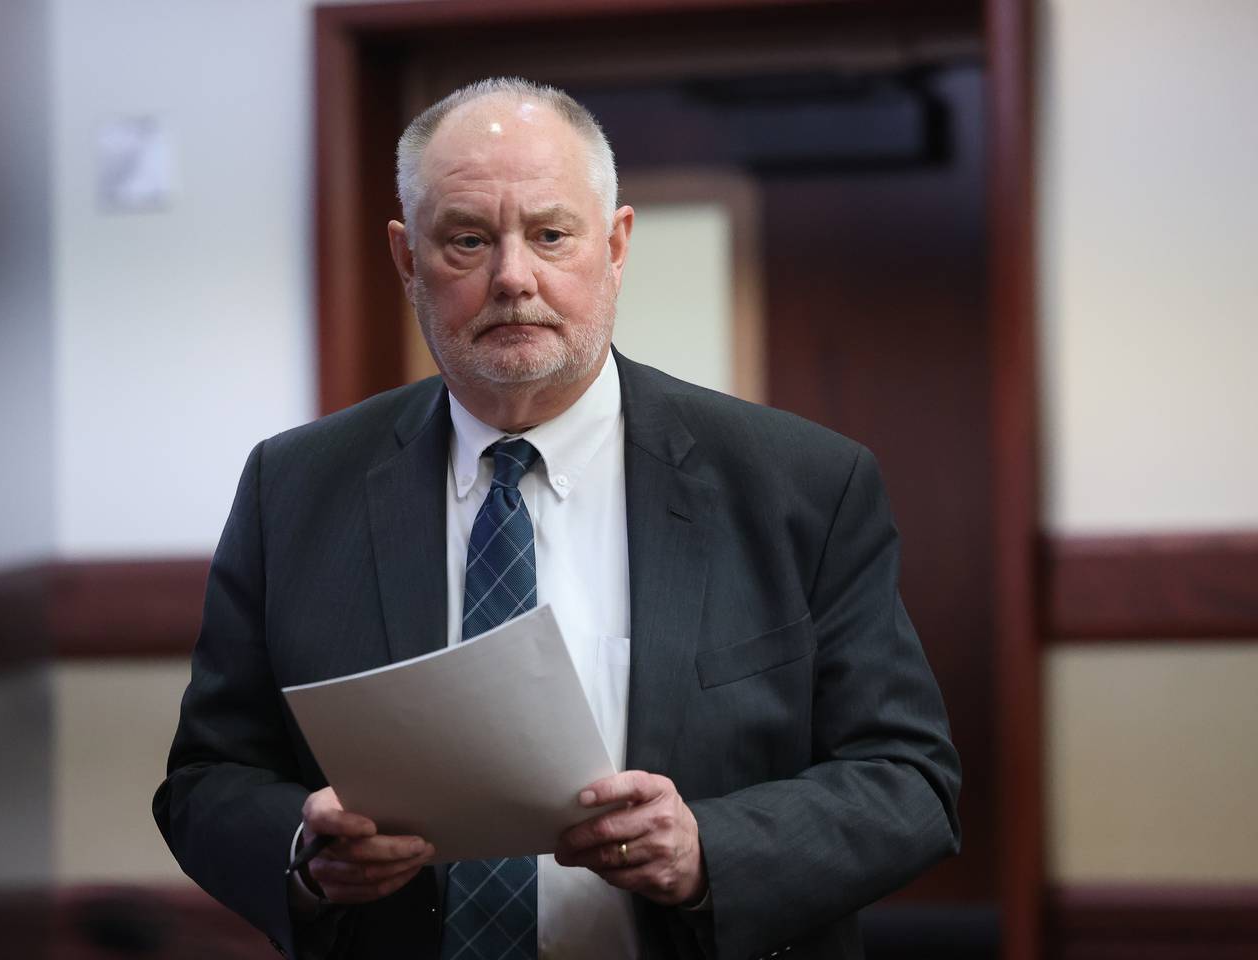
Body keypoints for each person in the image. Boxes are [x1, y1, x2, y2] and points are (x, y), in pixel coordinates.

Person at [154, 77, 960, 960]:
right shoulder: (295, 488)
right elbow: (206, 778)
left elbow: (907, 782)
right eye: (467, 239)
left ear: (614, 247)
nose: (512, 277)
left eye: (550, 234)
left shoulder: (801, 485)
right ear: (406, 259)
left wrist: (707, 852)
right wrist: (304, 854)